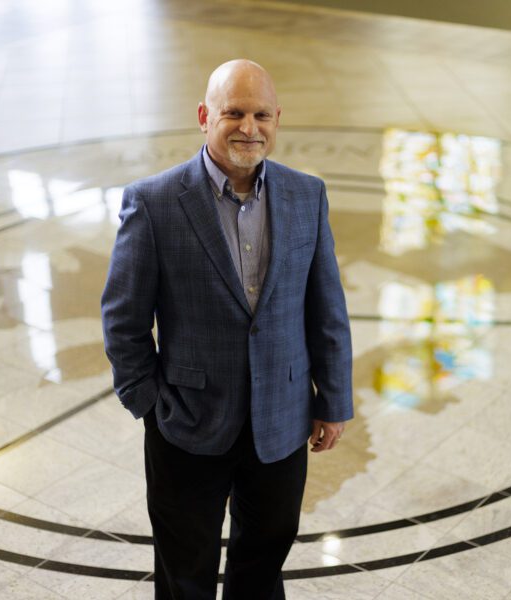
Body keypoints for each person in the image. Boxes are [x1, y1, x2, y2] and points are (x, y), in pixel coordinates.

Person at [101, 59, 353, 599]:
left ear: (278, 118)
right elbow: (123, 318)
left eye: (262, 114)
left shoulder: (306, 196)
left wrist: (332, 401)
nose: (249, 127)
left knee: (263, 563)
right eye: (233, 112)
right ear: (203, 116)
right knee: (184, 569)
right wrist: (148, 402)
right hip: (186, 422)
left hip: (282, 422)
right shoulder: (155, 202)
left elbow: (326, 308)